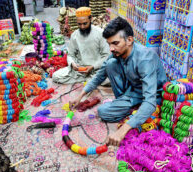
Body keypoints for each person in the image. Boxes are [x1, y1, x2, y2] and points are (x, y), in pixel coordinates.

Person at [69, 17, 167, 146]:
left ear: (129, 40)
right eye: (109, 44)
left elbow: (150, 100)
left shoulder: (144, 59)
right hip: (133, 90)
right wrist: (80, 96)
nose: (111, 48)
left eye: (115, 43)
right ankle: (132, 107)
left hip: (152, 95)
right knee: (110, 64)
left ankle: (136, 110)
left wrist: (124, 130)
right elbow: (100, 75)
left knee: (104, 111)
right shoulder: (117, 52)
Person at [52, 7, 110, 84]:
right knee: (56, 76)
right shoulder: (75, 35)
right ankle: (89, 80)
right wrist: (72, 64)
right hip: (80, 71)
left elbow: (107, 56)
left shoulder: (100, 33)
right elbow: (70, 55)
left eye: (85, 23)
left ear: (91, 19)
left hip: (96, 69)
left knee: (111, 80)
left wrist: (93, 67)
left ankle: (90, 79)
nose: (82, 27)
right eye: (79, 24)